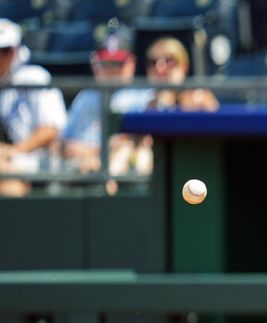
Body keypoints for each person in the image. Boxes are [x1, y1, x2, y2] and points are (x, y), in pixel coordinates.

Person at [61, 27, 154, 176]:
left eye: (117, 64)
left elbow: (131, 141)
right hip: (77, 165)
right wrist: (92, 153)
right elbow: (64, 143)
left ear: (131, 63)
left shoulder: (144, 97)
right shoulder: (86, 96)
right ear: (96, 64)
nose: (112, 71)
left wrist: (92, 153)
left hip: (120, 167)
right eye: (106, 64)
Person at [0, 18, 67, 197]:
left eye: (4, 51)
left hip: (39, 159)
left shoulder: (33, 77)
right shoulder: (4, 83)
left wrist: (13, 151)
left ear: (14, 51)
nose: (1, 56)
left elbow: (50, 130)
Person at [145, 37, 219, 112]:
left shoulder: (200, 99)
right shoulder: (143, 103)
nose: (159, 68)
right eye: (153, 62)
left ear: (184, 65)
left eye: (168, 61)